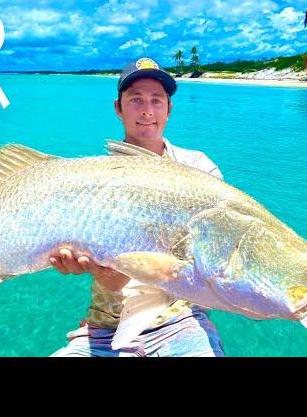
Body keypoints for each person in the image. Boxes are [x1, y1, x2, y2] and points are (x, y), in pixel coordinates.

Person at [50, 57, 225, 357]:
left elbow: (212, 262)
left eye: (157, 100)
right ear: (118, 108)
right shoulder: (92, 179)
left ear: (169, 109)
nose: (147, 110)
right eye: (136, 100)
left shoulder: (199, 170)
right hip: (105, 328)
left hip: (180, 322)